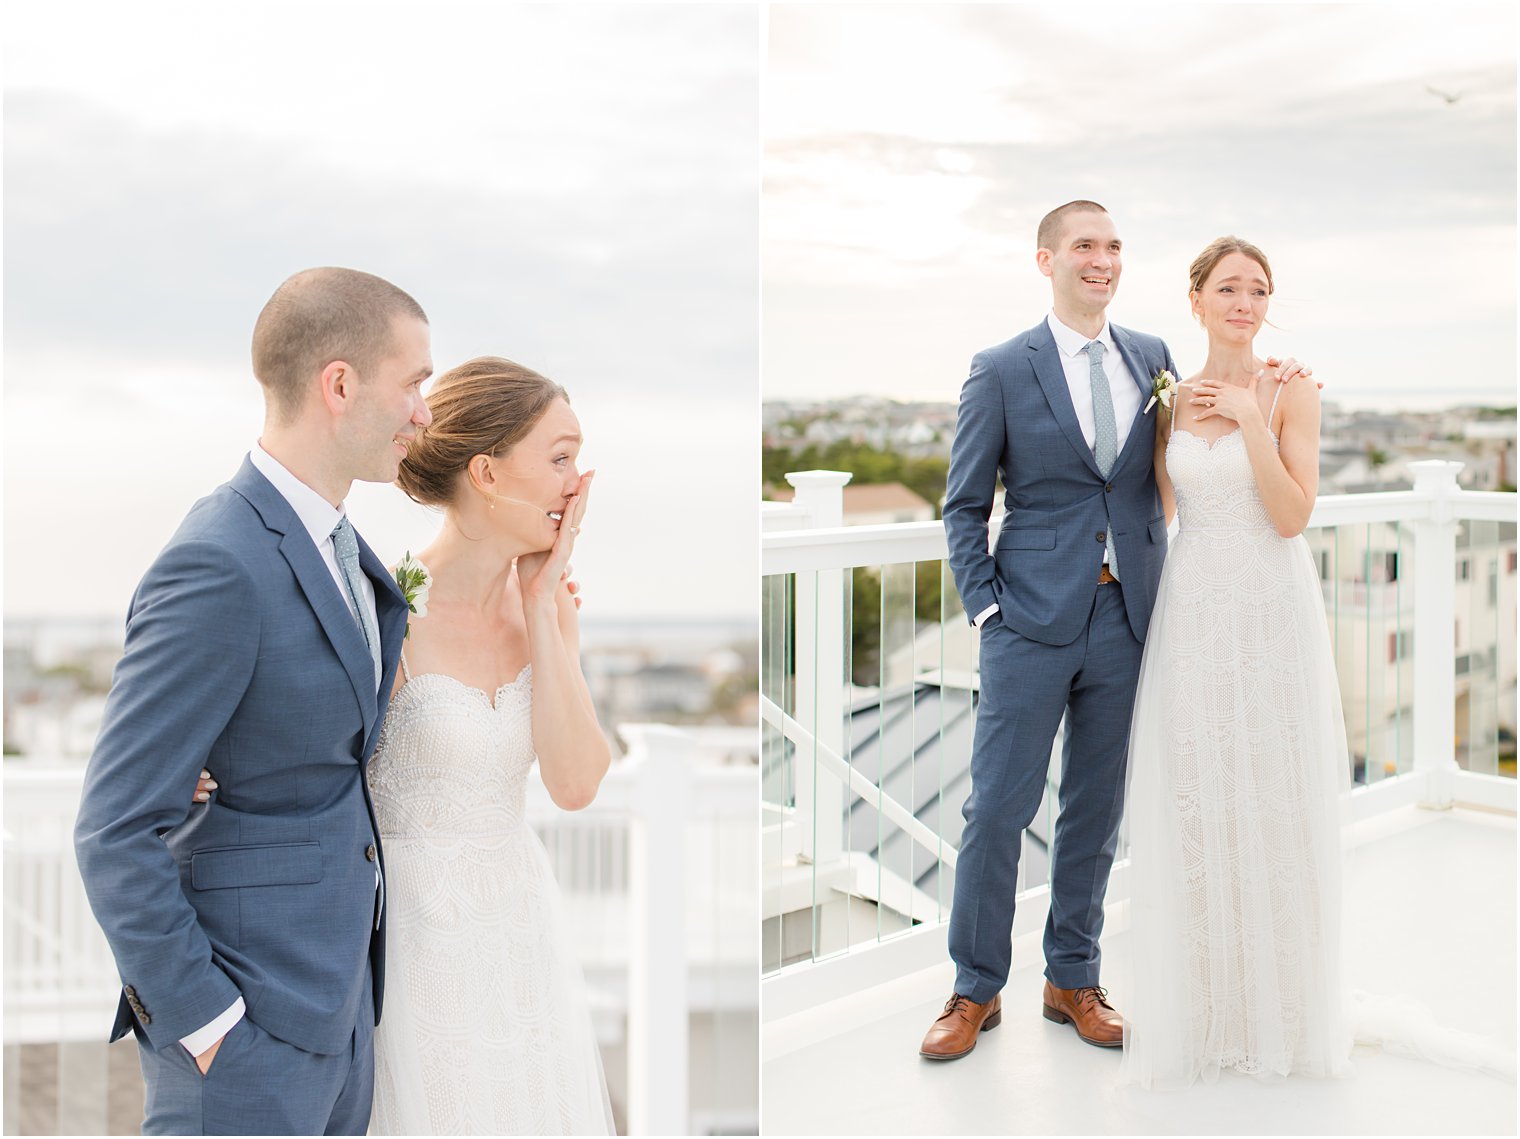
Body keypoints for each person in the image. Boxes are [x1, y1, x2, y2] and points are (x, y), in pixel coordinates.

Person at [922, 202, 1308, 1061]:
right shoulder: (998, 368)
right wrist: (987, 606)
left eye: (1113, 246)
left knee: (1094, 810)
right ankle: (973, 988)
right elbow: (963, 504)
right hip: (1026, 620)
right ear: (1047, 260)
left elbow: (1164, 479)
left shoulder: (1154, 358)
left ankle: (1073, 975)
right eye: (1084, 246)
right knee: (996, 808)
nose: (1102, 260)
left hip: (1132, 616)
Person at [74, 267, 433, 1134]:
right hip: (246, 1038)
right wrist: (205, 1021)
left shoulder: (341, 545)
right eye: (415, 381)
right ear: (339, 384)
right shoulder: (220, 560)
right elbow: (114, 827)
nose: (426, 409)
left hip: (337, 1013)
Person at [1120, 237, 1350, 1086]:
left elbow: (1291, 514)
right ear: (1196, 298)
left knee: (1271, 795)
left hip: (1269, 610)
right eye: (1227, 287)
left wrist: (1254, 416)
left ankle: (1280, 1010)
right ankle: (1210, 1007)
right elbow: (1157, 511)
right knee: (1201, 798)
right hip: (1194, 613)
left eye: (1258, 289)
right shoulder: (1169, 401)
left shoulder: (1291, 388)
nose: (1244, 302)